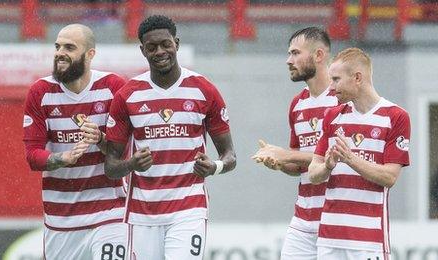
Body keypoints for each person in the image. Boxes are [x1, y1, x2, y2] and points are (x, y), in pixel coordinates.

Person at [104, 15, 237, 259]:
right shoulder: (127, 96)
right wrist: (131, 164)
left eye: (166, 44)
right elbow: (111, 167)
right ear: (142, 51)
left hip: (189, 207)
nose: (160, 51)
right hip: (143, 212)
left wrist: (214, 167)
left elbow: (230, 156)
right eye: (152, 47)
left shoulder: (203, 89)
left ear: (176, 43)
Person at [22, 24, 128, 260]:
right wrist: (62, 158)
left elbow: (125, 150)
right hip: (61, 218)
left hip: (109, 211)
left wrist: (101, 140)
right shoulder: (40, 92)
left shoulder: (113, 87)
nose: (60, 52)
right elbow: (32, 155)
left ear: (90, 54)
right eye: (58, 46)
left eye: (69, 47)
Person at [308, 47, 410, 259]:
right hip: (329, 237)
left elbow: (389, 177)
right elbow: (313, 173)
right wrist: (327, 166)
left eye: (336, 80)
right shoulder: (333, 116)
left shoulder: (395, 117)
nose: (331, 87)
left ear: (357, 78)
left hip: (369, 240)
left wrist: (351, 159)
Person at [251, 27, 338, 260]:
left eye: (295, 53)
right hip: (303, 218)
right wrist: (279, 164)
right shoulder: (297, 104)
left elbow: (340, 157)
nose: (288, 60)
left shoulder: (343, 100)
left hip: (336, 215)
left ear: (319, 55)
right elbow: (300, 166)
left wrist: (285, 155)